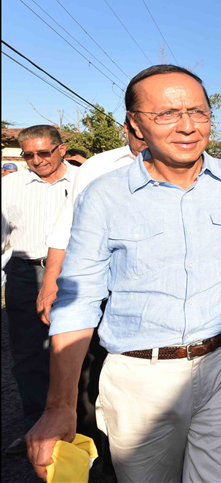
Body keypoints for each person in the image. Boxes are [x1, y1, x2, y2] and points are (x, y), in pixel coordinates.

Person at [25, 64, 221, 483]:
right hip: (141, 378)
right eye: (166, 114)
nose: (187, 126)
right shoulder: (104, 195)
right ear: (135, 125)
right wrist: (59, 406)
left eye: (198, 112)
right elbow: (80, 300)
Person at [36, 121, 148, 472]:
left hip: (144, 293)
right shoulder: (98, 167)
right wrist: (51, 278)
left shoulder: (186, 167)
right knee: (88, 368)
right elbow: (66, 225)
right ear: (128, 125)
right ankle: (92, 451)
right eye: (139, 126)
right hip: (97, 286)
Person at [1, 125, 78, 456]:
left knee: (79, 354)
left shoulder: (83, 182)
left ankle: (84, 432)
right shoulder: (10, 186)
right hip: (25, 276)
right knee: (29, 357)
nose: (36, 160)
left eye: (43, 152)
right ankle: (37, 430)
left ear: (61, 149)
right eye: (28, 154)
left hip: (75, 278)